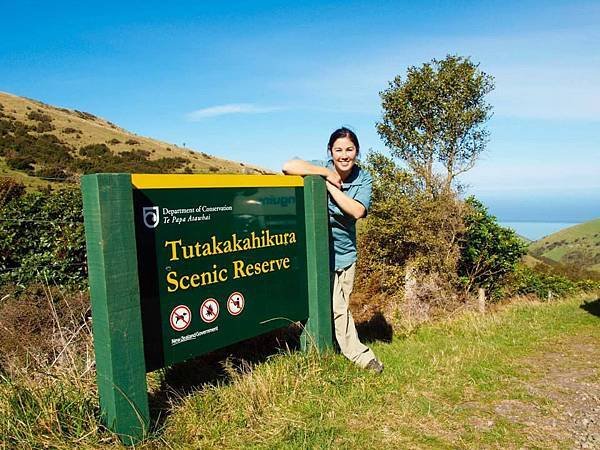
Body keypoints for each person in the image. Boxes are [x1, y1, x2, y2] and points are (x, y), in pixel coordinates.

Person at [282, 127, 383, 373]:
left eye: (349, 149)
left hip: (346, 254)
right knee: (336, 307)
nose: (344, 155)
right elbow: (288, 165)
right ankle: (361, 357)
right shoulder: (323, 166)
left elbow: (358, 211)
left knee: (339, 307)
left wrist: (329, 187)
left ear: (357, 152)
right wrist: (323, 173)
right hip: (319, 252)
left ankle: (325, 351)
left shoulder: (364, 178)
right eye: (338, 150)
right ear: (331, 151)